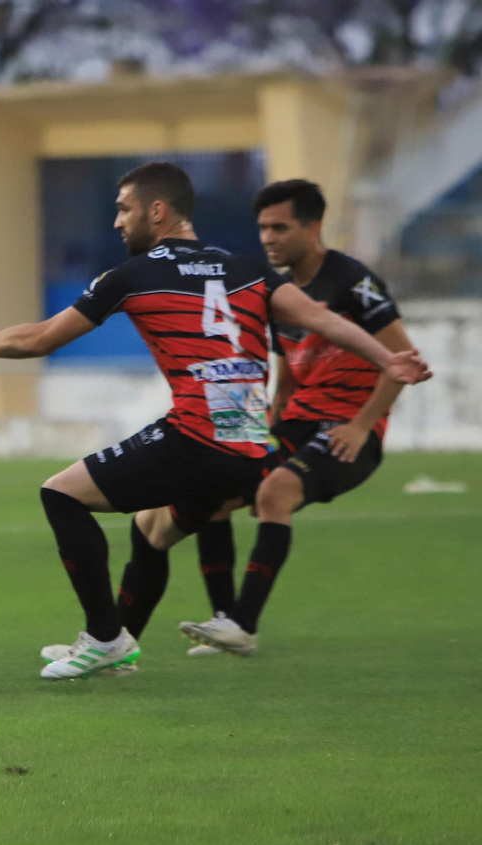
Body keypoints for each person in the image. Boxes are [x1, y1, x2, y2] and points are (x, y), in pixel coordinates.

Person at [0, 161, 429, 680]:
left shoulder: (132, 276)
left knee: (60, 494)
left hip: (195, 440)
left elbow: (42, 338)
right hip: (250, 452)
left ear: (158, 211)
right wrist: (387, 358)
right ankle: (122, 645)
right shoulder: (248, 270)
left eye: (123, 209)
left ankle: (105, 639)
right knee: (151, 530)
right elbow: (322, 319)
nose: (117, 222)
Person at [181, 180, 415, 656]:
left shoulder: (354, 282)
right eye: (263, 228)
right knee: (210, 491)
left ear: (313, 228)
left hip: (348, 430)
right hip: (297, 421)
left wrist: (363, 424)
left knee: (276, 492)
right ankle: (226, 624)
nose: (268, 238)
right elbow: (287, 376)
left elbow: (403, 360)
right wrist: (259, 433)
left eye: (280, 227)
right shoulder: (278, 291)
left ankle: (243, 625)